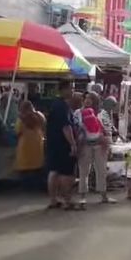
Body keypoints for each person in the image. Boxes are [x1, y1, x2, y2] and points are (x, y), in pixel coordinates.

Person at [76, 91, 115, 206]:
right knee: (84, 171)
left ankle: (103, 195)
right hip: (85, 145)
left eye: (90, 98)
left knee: (101, 170)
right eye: (86, 98)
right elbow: (77, 127)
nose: (88, 101)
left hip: (100, 146)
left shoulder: (102, 114)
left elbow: (108, 129)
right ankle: (82, 196)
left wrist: (107, 143)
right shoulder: (78, 113)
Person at [46, 80, 78, 210]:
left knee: (54, 171)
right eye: (71, 88)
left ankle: (53, 200)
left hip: (53, 144)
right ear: (63, 89)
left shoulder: (55, 104)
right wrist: (72, 143)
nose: (72, 91)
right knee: (66, 173)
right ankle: (67, 201)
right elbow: (66, 127)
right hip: (63, 144)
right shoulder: (62, 107)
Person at [15, 101, 46, 189]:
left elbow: (18, 131)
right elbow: (44, 124)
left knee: (25, 167)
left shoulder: (21, 118)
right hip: (37, 143)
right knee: (37, 166)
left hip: (25, 144)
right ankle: (36, 185)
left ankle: (26, 186)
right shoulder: (39, 116)